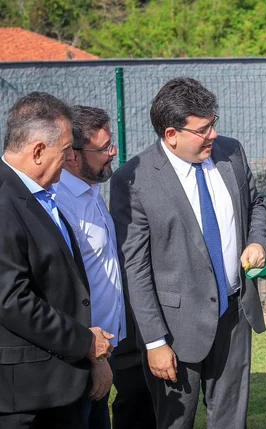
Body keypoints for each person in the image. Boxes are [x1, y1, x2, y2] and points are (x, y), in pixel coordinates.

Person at [110, 77, 266, 429]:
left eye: (213, 123)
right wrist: (154, 342)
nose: (213, 134)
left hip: (234, 314)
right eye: (203, 129)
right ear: (171, 135)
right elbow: (134, 269)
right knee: (174, 422)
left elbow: (256, 205)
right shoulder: (133, 180)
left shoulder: (232, 151)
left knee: (231, 420)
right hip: (175, 330)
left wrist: (258, 241)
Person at [0, 92, 113, 428]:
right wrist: (84, 342)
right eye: (65, 152)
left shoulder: (39, 194)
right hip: (28, 399)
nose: (68, 161)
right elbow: (11, 300)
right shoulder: (5, 202)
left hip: (61, 385)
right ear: (37, 150)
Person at [54, 105, 135, 429]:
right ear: (73, 156)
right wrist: (93, 356)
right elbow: (65, 290)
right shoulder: (62, 204)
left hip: (104, 347)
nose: (113, 151)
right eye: (103, 148)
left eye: (111, 142)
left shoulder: (91, 190)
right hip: (84, 351)